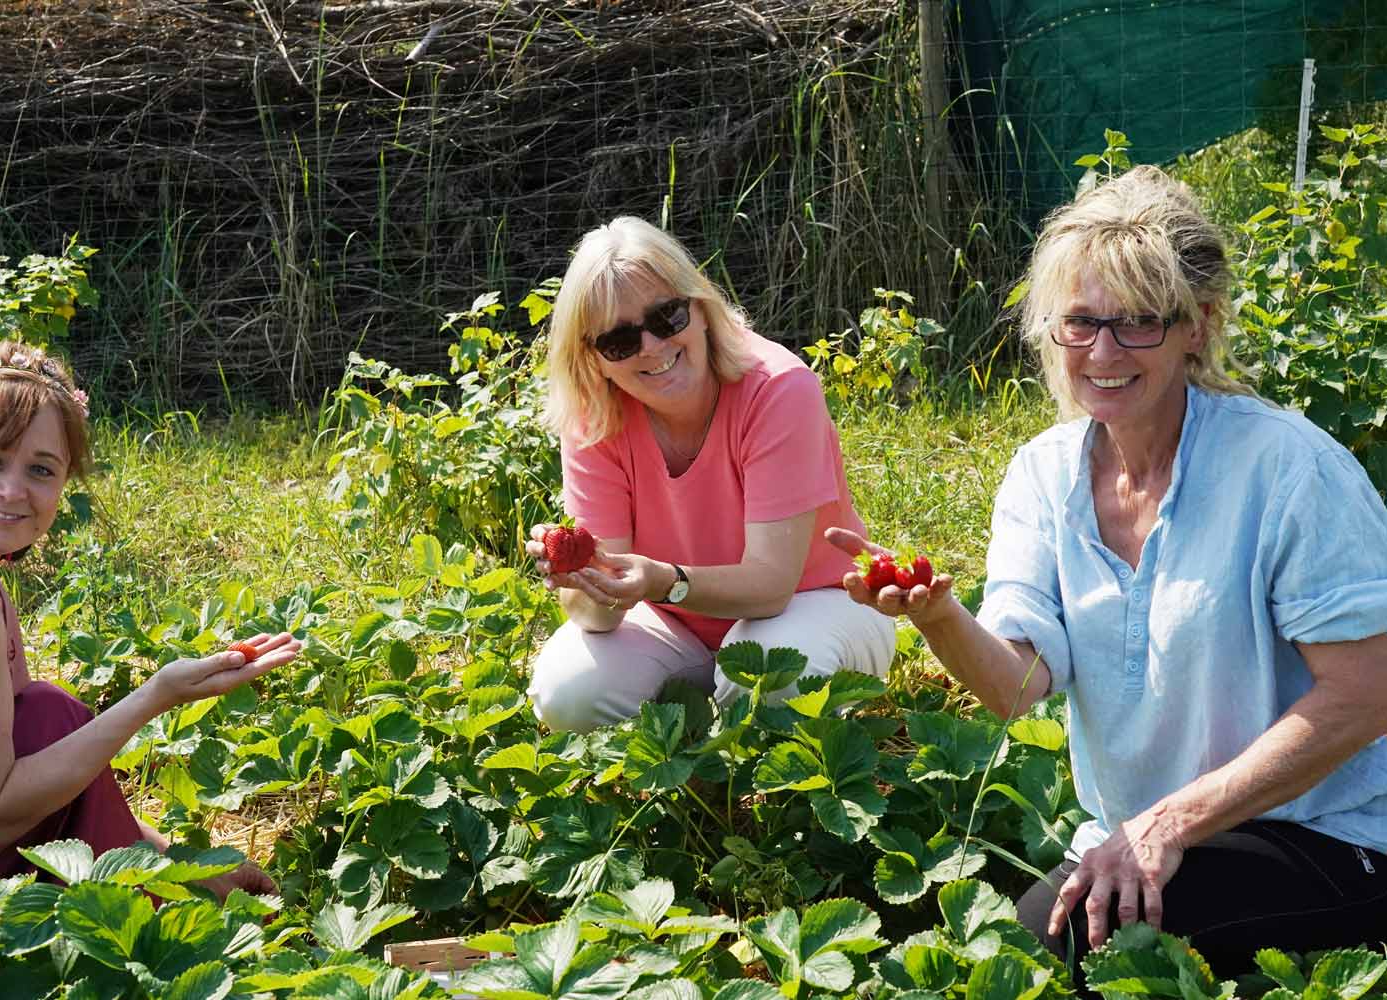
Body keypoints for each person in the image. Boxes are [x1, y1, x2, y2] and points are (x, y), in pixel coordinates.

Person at [828, 164, 1387, 975]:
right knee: (1020, 954)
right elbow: (1015, 689)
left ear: (1196, 325)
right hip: (1140, 843)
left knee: (1084, 953)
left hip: (1329, 833)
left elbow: (1367, 693)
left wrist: (1170, 824)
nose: (1103, 352)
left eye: (1137, 325)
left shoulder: (1288, 469)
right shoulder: (1043, 473)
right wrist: (935, 615)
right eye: (1081, 322)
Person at [0, 341, 301, 892]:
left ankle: (165, 884)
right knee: (49, 720)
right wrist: (155, 696)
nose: (12, 489)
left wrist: (166, 855)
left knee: (44, 720)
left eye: (41, 468)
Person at [523, 216, 896, 733]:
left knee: (765, 676)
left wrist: (663, 580)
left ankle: (744, 747)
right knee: (570, 693)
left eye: (667, 316)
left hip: (819, 601)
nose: (651, 347)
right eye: (619, 341)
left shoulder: (778, 390)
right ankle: (703, 739)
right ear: (595, 360)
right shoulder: (593, 418)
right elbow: (598, 615)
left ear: (701, 309)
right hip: (676, 623)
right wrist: (582, 579)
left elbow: (771, 586)